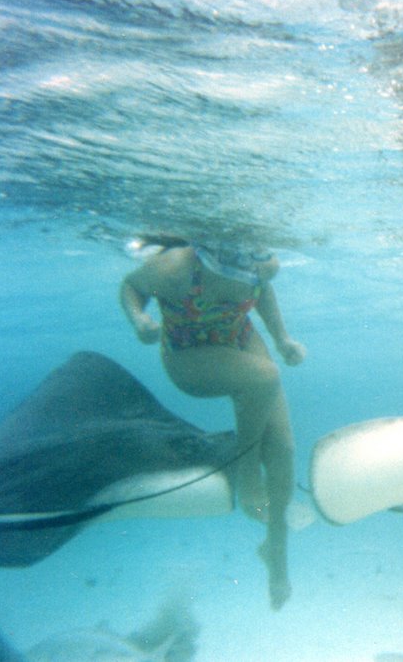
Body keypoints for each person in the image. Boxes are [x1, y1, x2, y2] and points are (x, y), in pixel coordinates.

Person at [120, 236, 305, 610]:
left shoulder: (261, 265)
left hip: (240, 337)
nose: (241, 287)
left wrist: (282, 338)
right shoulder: (174, 268)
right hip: (189, 354)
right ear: (206, 265)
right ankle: (247, 470)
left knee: (283, 447)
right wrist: (139, 319)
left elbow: (263, 290)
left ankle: (276, 551)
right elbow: (131, 287)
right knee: (263, 378)